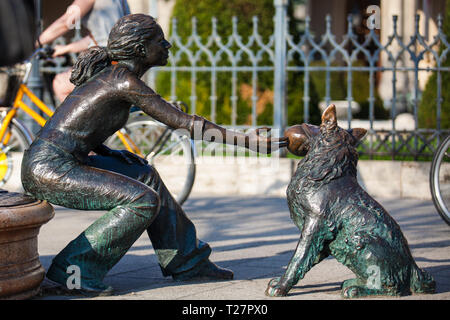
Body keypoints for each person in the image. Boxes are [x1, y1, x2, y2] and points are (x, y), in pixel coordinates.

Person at [21, 14, 288, 296]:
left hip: (61, 161)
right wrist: (248, 140)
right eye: (160, 41)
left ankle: (187, 263)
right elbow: (184, 124)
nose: (168, 45)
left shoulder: (115, 76)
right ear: (140, 50)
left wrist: (110, 152)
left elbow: (79, 127)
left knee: (145, 175)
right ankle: (71, 270)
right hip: (47, 169)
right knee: (142, 200)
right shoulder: (123, 81)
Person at [38, 0, 130, 103]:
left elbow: (66, 22)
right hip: (123, 59)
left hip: (107, 61)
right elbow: (99, 38)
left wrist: (37, 42)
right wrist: (66, 48)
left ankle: (91, 119)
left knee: (60, 83)